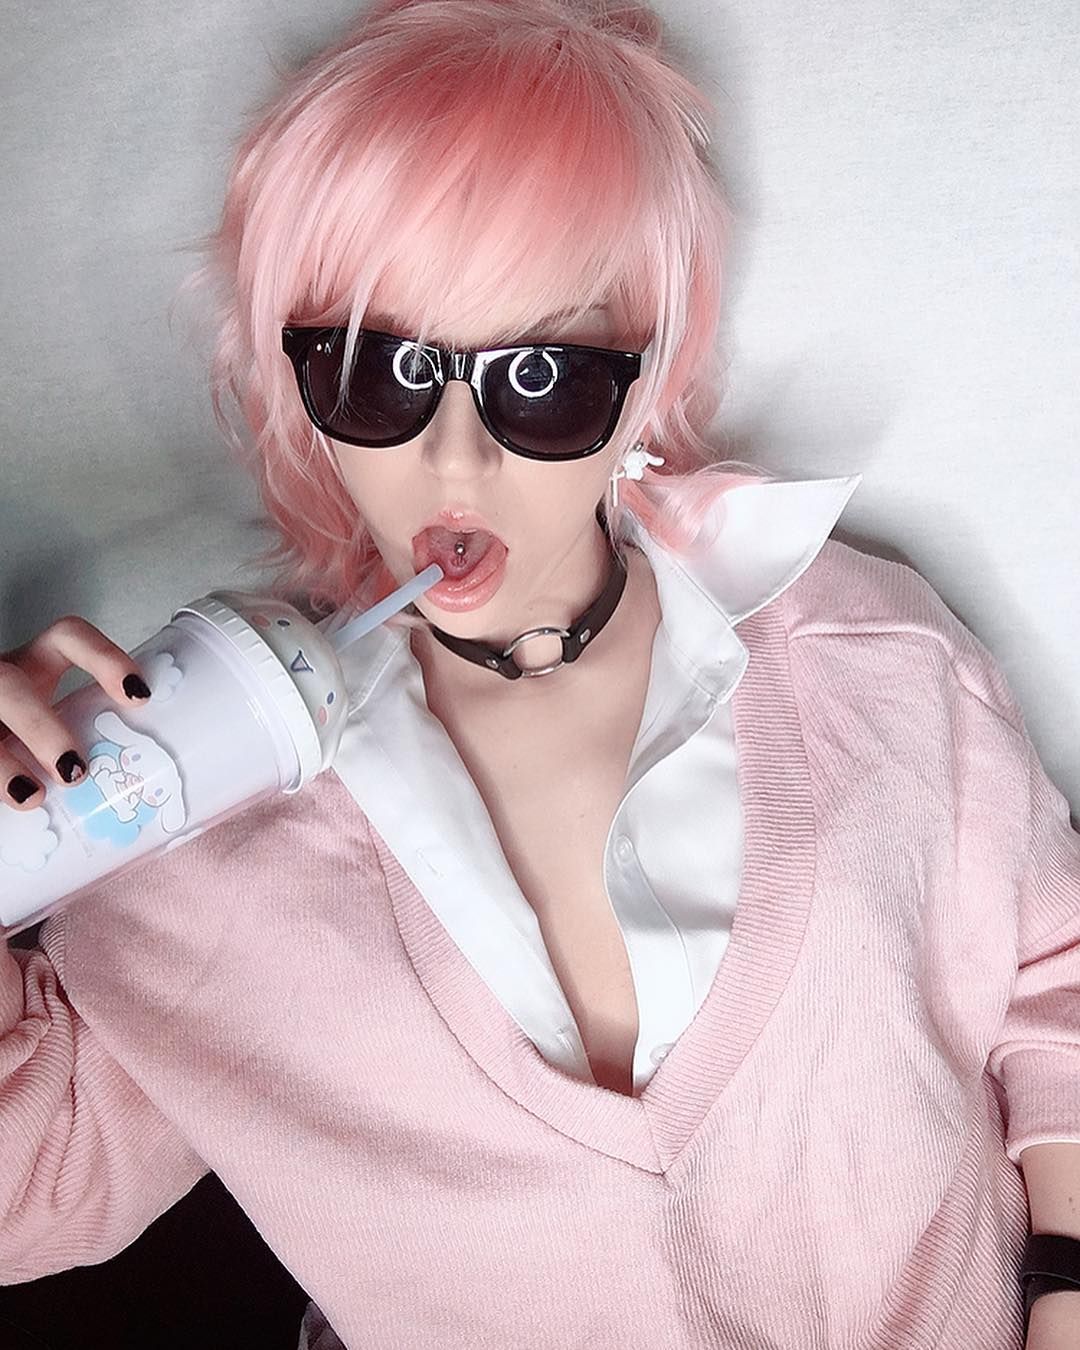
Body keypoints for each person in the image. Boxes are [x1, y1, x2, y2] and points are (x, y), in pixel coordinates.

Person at [1, 1, 1079, 1346]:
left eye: (542, 378)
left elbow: (1057, 971)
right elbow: (30, 1196)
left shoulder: (867, 655)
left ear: (649, 371)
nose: (453, 462)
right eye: (379, 371)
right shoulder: (183, 816)